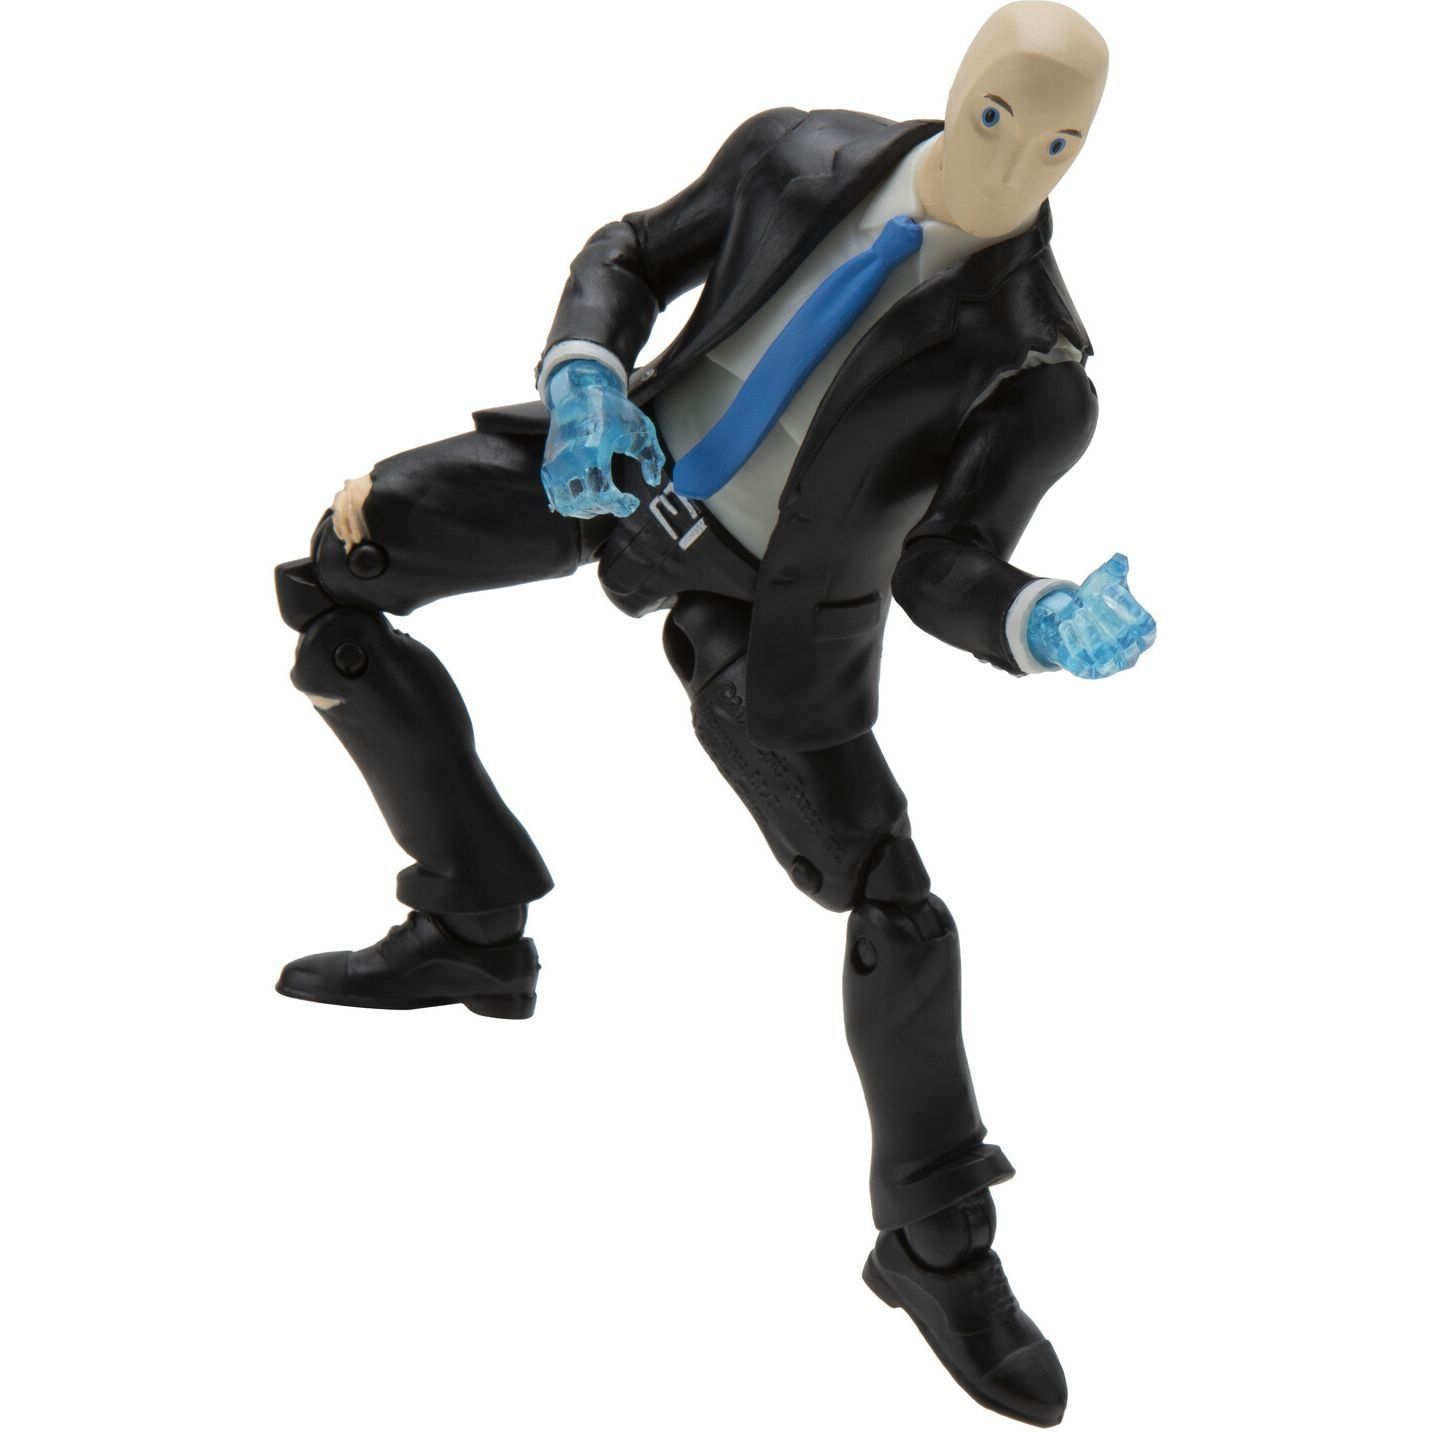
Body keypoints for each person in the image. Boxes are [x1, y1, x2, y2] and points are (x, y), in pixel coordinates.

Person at [273, 5, 1155, 1422]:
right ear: (957, 88)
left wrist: (1036, 616)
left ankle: (936, 1242)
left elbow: (945, 560)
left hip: (764, 602)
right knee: (336, 579)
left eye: (1058, 146)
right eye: (997, 117)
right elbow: (630, 251)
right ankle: (472, 918)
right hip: (608, 471)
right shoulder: (797, 152)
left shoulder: (1036, 368)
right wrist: (583, 378)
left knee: (894, 906)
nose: (1013, 166)